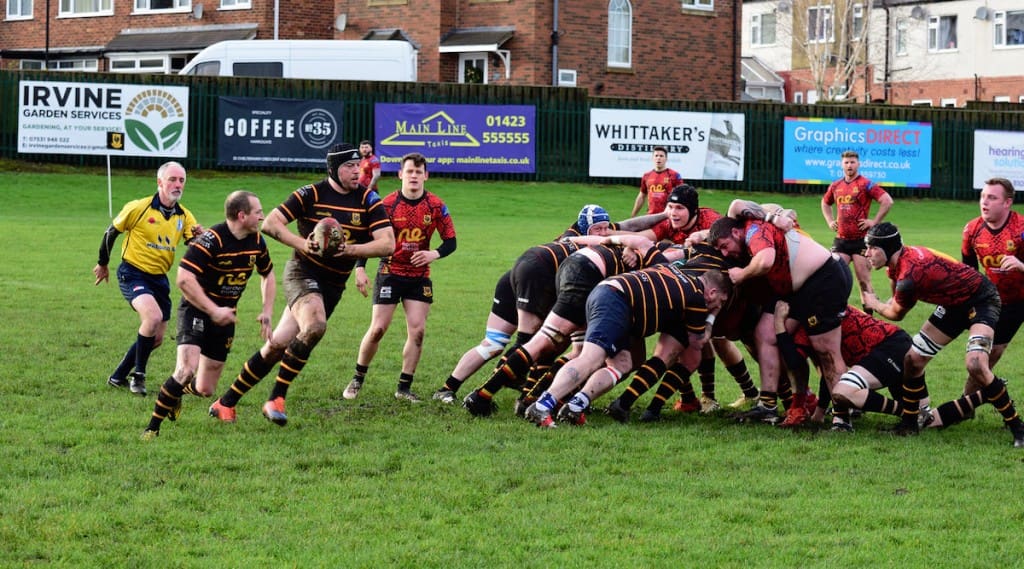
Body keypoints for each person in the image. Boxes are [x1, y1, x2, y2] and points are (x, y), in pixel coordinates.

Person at [207, 142, 395, 426]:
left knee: (277, 345)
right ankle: (276, 398)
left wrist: (350, 251)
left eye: (358, 165)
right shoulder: (311, 193)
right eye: (349, 166)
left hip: (333, 284)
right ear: (333, 168)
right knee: (316, 325)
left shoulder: (369, 199)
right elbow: (271, 223)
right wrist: (302, 245)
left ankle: (225, 402)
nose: (357, 171)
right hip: (302, 272)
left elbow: (388, 243)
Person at [461, 233, 686, 417]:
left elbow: (583, 240)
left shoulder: (627, 246)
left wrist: (616, 240)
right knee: (549, 342)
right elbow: (653, 248)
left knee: (572, 349)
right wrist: (687, 249)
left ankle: (525, 397)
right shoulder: (655, 259)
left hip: (573, 269)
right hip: (589, 278)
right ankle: (487, 395)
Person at [862, 222, 1024, 446]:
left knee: (976, 364)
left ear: (888, 249)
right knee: (912, 360)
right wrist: (889, 299)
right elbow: (894, 286)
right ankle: (909, 424)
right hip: (953, 304)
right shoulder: (898, 259)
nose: (867, 253)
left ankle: (1018, 428)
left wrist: (874, 303)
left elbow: (896, 313)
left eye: (872, 248)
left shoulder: (910, 275)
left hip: (981, 299)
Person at [525, 264, 730, 427]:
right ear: (711, 292)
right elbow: (697, 342)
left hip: (611, 294)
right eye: (718, 302)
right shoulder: (695, 296)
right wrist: (712, 317)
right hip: (615, 301)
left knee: (622, 364)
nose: (716, 307)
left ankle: (575, 406)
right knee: (591, 358)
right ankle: (542, 405)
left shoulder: (674, 269)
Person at [142, 191, 275, 440]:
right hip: (197, 310)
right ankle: (152, 429)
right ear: (241, 215)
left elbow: (268, 274)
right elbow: (183, 278)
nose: (262, 216)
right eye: (258, 211)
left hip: (226, 317)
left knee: (205, 388)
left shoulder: (257, 241)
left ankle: (177, 393)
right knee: (185, 370)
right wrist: (213, 310)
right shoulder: (212, 240)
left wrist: (267, 311)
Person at [708, 200, 851, 427]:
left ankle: (843, 417)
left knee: (826, 351)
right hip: (793, 288)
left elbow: (765, 262)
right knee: (764, 334)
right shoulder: (740, 226)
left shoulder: (754, 231)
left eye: (726, 245)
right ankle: (768, 405)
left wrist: (742, 274)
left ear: (736, 231)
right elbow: (734, 205)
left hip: (823, 280)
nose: (727, 253)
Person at [343, 152, 457, 402]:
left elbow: (451, 241)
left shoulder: (436, 206)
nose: (414, 176)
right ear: (400, 174)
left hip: (419, 276)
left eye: (418, 172)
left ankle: (404, 388)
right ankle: (357, 378)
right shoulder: (387, 204)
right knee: (378, 329)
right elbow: (367, 238)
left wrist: (433, 254)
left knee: (418, 332)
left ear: (425, 175)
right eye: (409, 171)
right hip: (390, 272)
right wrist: (360, 268)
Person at [93, 161, 202, 397]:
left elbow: (191, 243)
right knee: (152, 318)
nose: (177, 184)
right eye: (172, 179)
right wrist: (103, 263)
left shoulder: (184, 215)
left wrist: (199, 239)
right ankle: (138, 377)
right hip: (132, 272)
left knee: (156, 338)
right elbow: (111, 232)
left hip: (159, 280)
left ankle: (118, 376)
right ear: (160, 182)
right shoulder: (139, 207)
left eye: (181, 180)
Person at [960, 178, 1024, 394]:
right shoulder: (972, 229)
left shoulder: (1021, 229)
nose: (984, 202)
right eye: (983, 196)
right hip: (1000, 302)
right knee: (988, 354)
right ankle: (965, 405)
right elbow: (968, 273)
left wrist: (1021, 265)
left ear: (1007, 203)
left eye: (992, 198)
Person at [821, 150, 893, 315]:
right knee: (833, 276)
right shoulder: (835, 185)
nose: (849, 165)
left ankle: (869, 319)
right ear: (842, 165)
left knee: (863, 281)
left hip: (861, 241)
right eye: (846, 162)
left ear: (858, 164)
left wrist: (874, 222)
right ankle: (835, 312)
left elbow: (887, 201)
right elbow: (825, 203)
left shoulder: (865, 184)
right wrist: (830, 221)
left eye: (852, 162)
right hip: (841, 240)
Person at [637, 184, 721, 246]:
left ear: (694, 210)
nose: (673, 213)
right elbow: (639, 237)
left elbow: (727, 232)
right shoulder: (669, 224)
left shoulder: (711, 220)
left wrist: (703, 235)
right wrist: (630, 246)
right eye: (670, 207)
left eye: (679, 208)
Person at [630, 145, 684, 217]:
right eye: (656, 156)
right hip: (651, 216)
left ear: (666, 158)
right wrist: (633, 215)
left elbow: (683, 195)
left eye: (661, 156)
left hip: (668, 215)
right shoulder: (647, 176)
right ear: (653, 158)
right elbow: (642, 196)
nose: (658, 158)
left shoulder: (674, 175)